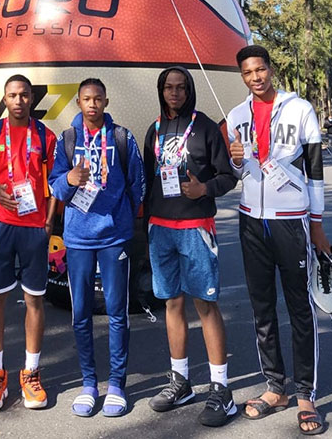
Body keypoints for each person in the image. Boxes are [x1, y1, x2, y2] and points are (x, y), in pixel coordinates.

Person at [225, 45, 332, 435]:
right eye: (248, 72)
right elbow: (238, 171)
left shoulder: (300, 109)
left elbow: (316, 170)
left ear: (270, 70)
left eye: (260, 69)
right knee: (262, 309)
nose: (256, 77)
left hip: (291, 221)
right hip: (252, 220)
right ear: (242, 76)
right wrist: (237, 159)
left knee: (299, 308)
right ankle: (275, 388)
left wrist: (316, 223)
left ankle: (306, 394)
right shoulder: (237, 116)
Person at [143, 66, 239, 427]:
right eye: (169, 87)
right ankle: (180, 381)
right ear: (161, 91)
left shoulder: (206, 128)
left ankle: (221, 389)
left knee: (206, 304)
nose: (175, 93)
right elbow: (147, 179)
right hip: (160, 228)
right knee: (171, 303)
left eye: (181, 87)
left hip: (196, 226)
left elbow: (228, 175)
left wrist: (204, 190)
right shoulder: (153, 129)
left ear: (190, 91)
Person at [48, 78, 146, 418]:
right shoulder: (68, 139)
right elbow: (55, 187)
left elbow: (138, 182)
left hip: (113, 237)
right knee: (80, 315)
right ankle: (89, 382)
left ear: (106, 101)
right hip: (77, 239)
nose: (92, 104)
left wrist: (123, 218)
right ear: (78, 102)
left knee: (118, 312)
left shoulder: (121, 137)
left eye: (98, 99)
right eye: (87, 99)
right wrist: (68, 180)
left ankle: (117, 383)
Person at [0, 74, 58, 411]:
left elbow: (54, 181)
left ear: (32, 99)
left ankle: (31, 373)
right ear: (5, 99)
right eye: (13, 95)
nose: (19, 101)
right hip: (0, 226)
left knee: (34, 300)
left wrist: (50, 222)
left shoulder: (45, 135)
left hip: (35, 227)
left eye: (24, 95)